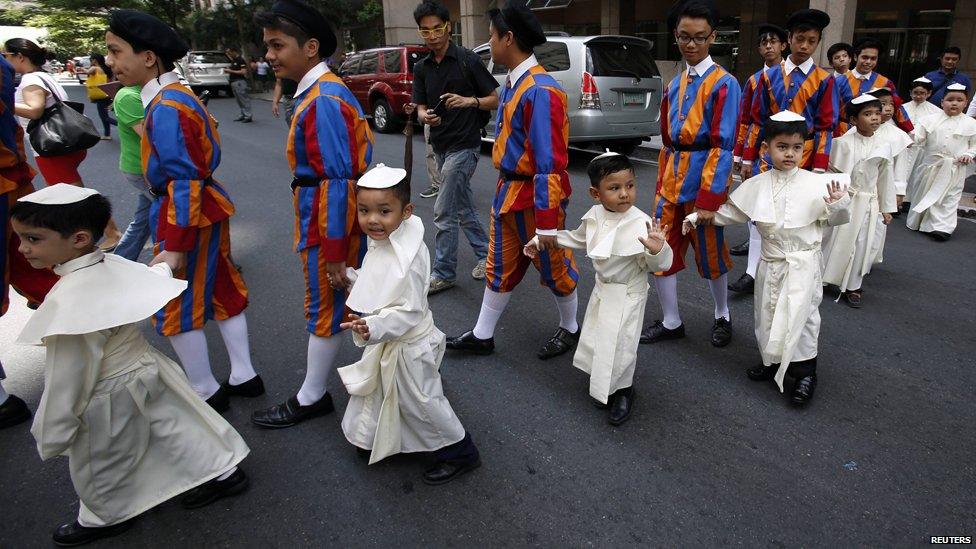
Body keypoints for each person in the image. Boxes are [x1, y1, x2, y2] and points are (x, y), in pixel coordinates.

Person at [10, 184, 250, 546]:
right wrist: (167, 264)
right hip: (146, 368)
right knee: (176, 425)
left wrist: (56, 427)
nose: (22, 248)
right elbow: (147, 277)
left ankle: (103, 515)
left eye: (32, 239)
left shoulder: (72, 301)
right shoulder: (109, 262)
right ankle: (223, 472)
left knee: (100, 457)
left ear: (78, 238)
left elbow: (69, 374)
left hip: (106, 390)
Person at [105, 9, 263, 412]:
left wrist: (174, 243)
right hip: (202, 208)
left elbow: (182, 180)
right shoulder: (176, 97)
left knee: (175, 301)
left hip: (185, 213)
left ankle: (206, 389)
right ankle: (243, 375)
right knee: (224, 288)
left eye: (115, 51)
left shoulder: (166, 105)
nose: (110, 61)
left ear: (148, 57)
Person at [250, 0, 374, 429]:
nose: (269, 55)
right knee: (339, 303)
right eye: (268, 45)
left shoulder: (322, 100)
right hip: (323, 216)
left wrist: (335, 250)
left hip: (329, 224)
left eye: (277, 45)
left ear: (311, 47)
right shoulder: (320, 93)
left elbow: (337, 182)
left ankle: (312, 396)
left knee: (327, 303)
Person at [682, 111, 852, 406]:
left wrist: (838, 203)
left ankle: (804, 373)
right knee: (767, 312)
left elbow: (836, 219)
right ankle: (772, 361)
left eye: (796, 147)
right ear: (767, 148)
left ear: (804, 148)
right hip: (771, 262)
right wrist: (700, 215)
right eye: (782, 146)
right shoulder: (757, 185)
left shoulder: (817, 183)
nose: (789, 153)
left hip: (802, 264)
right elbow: (731, 212)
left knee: (805, 318)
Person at [445, 0, 581, 361]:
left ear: (508, 38)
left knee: (553, 267)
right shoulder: (515, 84)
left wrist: (549, 223)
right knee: (500, 264)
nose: (488, 42)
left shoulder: (540, 89)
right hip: (509, 191)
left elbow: (550, 162)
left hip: (533, 196)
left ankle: (572, 328)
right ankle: (482, 334)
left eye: (491, 35)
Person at [337, 164, 481, 485]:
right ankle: (372, 436)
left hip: (408, 343)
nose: (373, 219)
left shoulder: (408, 256)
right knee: (382, 389)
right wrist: (353, 278)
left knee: (423, 402)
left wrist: (373, 327)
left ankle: (460, 450)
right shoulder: (388, 238)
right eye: (364, 211)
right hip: (391, 339)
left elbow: (409, 310)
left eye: (383, 211)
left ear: (406, 211)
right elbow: (382, 285)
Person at [523, 153, 673, 425]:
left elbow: (659, 263)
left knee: (623, 345)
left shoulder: (642, 223)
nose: (624, 194)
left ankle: (624, 390)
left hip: (628, 294)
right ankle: (604, 383)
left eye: (629, 185)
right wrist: (542, 238)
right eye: (614, 188)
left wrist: (657, 249)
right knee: (600, 338)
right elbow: (577, 238)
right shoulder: (594, 215)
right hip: (603, 291)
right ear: (596, 193)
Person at [638, 0, 740, 349]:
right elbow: (667, 139)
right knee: (660, 249)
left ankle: (722, 313)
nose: (691, 44)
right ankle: (671, 320)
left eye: (699, 37)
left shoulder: (725, 83)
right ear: (675, 36)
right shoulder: (675, 83)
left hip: (702, 185)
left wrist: (711, 199)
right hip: (669, 182)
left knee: (711, 253)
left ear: (713, 36)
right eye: (684, 37)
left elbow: (723, 145)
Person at [409, 0, 497, 295]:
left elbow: (495, 99)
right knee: (463, 207)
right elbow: (419, 108)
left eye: (437, 29)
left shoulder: (467, 60)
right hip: (441, 145)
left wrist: (468, 101)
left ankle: (444, 272)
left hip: (466, 146)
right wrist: (425, 116)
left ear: (449, 27)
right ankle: (488, 255)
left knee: (443, 210)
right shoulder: (421, 67)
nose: (432, 36)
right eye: (426, 31)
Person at [5, 38, 123, 250]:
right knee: (73, 193)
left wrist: (6, 103)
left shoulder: (30, 81)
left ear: (19, 57)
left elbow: (35, 110)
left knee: (76, 196)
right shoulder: (44, 76)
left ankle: (111, 233)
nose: (5, 61)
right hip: (67, 142)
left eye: (7, 56)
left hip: (52, 147)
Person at [0, 52, 58, 430]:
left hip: (8, 182)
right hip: (11, 183)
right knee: (37, 265)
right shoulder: (6, 69)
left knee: (37, 264)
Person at [740, 8, 838, 179]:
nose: (805, 46)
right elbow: (757, 120)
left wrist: (820, 167)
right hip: (768, 157)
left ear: (818, 42)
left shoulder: (825, 80)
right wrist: (747, 158)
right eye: (800, 39)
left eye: (812, 41)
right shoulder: (768, 76)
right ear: (789, 38)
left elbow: (825, 127)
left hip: (803, 159)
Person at [822, 94, 896, 308]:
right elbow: (832, 173)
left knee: (862, 242)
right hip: (845, 199)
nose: (874, 117)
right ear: (854, 120)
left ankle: (854, 285)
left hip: (868, 201)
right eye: (867, 114)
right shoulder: (842, 143)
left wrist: (887, 207)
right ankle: (824, 276)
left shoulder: (885, 144)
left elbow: (885, 177)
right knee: (833, 238)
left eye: (876, 113)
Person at [729, 23, 787, 294]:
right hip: (761, 150)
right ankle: (753, 271)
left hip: (792, 152)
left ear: (783, 45)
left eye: (773, 42)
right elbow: (746, 120)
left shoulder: (794, 77)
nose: (768, 47)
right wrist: (741, 154)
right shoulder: (753, 80)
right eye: (763, 43)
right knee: (757, 210)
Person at [906, 82, 976, 241]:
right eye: (950, 99)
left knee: (949, 198)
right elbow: (918, 138)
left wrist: (968, 154)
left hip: (954, 168)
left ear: (965, 103)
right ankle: (921, 222)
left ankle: (942, 227)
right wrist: (908, 135)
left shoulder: (971, 124)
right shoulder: (929, 119)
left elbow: (974, 145)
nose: (954, 103)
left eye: (959, 100)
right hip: (929, 166)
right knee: (925, 193)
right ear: (942, 101)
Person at [834, 39, 913, 137]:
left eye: (873, 58)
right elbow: (831, 111)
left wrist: (909, 129)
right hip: (843, 133)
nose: (868, 62)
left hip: (875, 134)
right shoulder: (838, 82)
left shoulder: (885, 82)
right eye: (865, 57)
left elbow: (897, 107)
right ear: (855, 57)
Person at [110, 83, 153, 261]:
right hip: (144, 170)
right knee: (170, 215)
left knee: (144, 220)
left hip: (149, 168)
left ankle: (121, 261)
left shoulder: (146, 91)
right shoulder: (128, 96)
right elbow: (152, 137)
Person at [866, 87, 914, 214]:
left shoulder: (898, 136)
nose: (888, 108)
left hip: (884, 186)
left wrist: (899, 191)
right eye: (883, 104)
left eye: (891, 104)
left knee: (879, 220)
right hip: (862, 185)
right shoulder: (857, 130)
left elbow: (901, 166)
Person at [901, 76, 942, 211]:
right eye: (916, 93)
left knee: (916, 175)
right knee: (901, 173)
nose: (918, 96)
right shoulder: (902, 108)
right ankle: (897, 200)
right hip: (904, 147)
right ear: (911, 92)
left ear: (929, 94)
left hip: (921, 149)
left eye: (922, 93)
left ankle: (910, 201)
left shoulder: (936, 112)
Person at [85, 53, 117, 140]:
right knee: (106, 115)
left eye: (91, 60)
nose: (90, 62)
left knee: (104, 117)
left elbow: (88, 72)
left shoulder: (95, 68)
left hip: (101, 95)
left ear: (95, 60)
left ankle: (124, 125)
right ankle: (107, 134)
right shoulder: (107, 69)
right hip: (108, 93)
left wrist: (82, 69)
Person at [224, 47, 252, 122]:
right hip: (234, 82)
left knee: (244, 99)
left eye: (229, 53)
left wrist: (230, 71)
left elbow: (243, 72)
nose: (228, 54)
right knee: (239, 100)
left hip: (239, 82)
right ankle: (243, 114)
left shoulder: (240, 60)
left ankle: (248, 115)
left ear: (234, 52)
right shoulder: (234, 61)